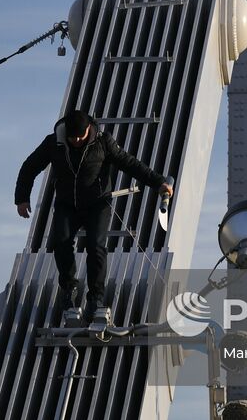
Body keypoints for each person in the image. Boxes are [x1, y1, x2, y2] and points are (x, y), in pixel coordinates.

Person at [16, 110, 172, 325]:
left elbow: (130, 163)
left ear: (88, 129)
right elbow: (29, 167)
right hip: (66, 204)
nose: (77, 141)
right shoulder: (54, 143)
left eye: (81, 136)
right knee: (60, 243)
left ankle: (96, 297)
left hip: (97, 204)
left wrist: (158, 182)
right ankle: (69, 289)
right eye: (73, 137)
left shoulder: (103, 142)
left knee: (95, 246)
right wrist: (22, 198)